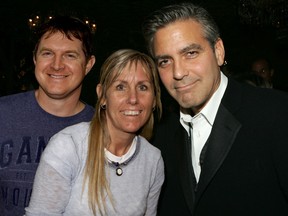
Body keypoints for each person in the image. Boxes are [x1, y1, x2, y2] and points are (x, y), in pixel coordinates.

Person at [142, 2, 288, 216]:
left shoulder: (277, 113)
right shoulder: (161, 136)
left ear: (218, 52)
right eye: (165, 61)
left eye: (190, 53)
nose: (178, 72)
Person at [24, 49, 164, 216]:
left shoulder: (153, 160)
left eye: (143, 87)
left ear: (154, 99)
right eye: (120, 87)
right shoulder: (68, 146)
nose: (133, 98)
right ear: (102, 95)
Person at [0, 15, 96, 216]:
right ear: (35, 58)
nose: (57, 65)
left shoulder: (103, 129)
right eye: (47, 53)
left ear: (88, 64)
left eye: (70, 55)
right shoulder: (3, 114)